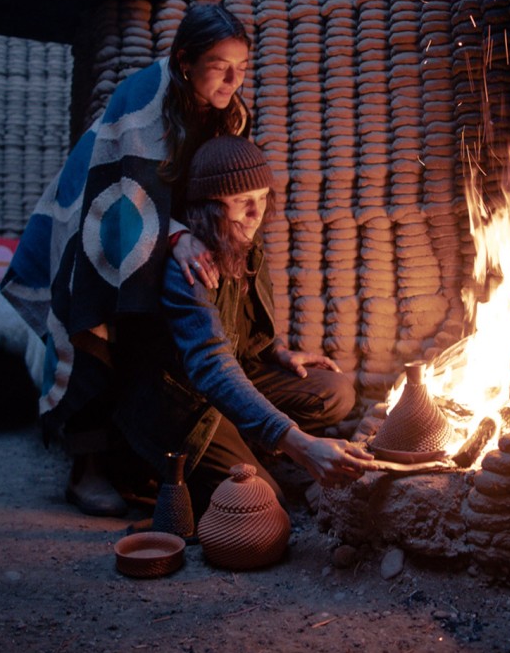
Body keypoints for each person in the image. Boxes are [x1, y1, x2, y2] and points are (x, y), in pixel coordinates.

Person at [1, 4, 263, 515]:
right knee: (97, 326)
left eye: (242, 67)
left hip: (155, 227)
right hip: (96, 221)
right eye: (219, 65)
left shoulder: (230, 112)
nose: (233, 78)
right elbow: (123, 193)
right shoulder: (143, 100)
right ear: (185, 61)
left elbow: (216, 184)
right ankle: (86, 469)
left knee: (156, 335)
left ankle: (137, 451)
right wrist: (176, 235)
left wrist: (192, 230)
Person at [113, 136, 376, 514]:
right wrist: (301, 446)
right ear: (209, 205)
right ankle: (165, 466)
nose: (256, 212)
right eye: (241, 202)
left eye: (263, 196)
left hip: (228, 383)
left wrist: (279, 350)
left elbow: (247, 325)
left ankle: (246, 436)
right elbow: (211, 367)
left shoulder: (243, 243)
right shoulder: (188, 267)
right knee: (266, 506)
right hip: (183, 404)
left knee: (335, 392)